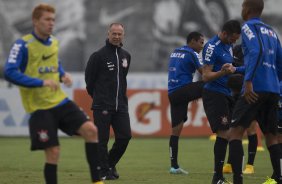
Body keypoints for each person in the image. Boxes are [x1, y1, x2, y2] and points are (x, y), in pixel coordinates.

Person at [3, 3, 103, 184]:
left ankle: (97, 181)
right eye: (47, 20)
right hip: (39, 107)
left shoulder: (54, 42)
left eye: (53, 20)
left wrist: (63, 74)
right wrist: (40, 82)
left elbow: (54, 64)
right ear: (35, 21)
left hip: (60, 102)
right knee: (54, 152)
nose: (51, 23)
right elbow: (9, 72)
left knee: (91, 130)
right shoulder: (22, 44)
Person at [228, 0, 282, 183]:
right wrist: (275, 83)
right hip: (272, 89)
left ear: (248, 9)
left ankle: (237, 179)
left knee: (234, 132)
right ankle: (278, 177)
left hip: (255, 88)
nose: (241, 10)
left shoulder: (248, 27)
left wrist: (249, 80)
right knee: (271, 136)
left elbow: (256, 51)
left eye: (242, 7)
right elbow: (279, 62)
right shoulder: (272, 32)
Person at [85, 23, 132, 180]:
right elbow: (89, 82)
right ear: (108, 34)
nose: (117, 36)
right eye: (114, 33)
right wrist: (99, 98)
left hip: (121, 106)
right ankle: (103, 171)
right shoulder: (98, 56)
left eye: (120, 34)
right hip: (102, 105)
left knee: (125, 137)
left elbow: (122, 79)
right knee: (102, 141)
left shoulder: (126, 56)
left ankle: (109, 165)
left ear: (123, 35)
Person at [201, 19, 241, 184]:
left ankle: (222, 175)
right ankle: (217, 177)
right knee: (224, 132)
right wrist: (222, 73)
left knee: (231, 133)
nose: (235, 41)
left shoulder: (228, 45)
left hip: (227, 93)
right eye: (233, 38)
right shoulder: (211, 47)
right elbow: (205, 76)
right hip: (214, 93)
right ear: (225, 33)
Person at [167, 31, 205, 174]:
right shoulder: (192, 54)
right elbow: (204, 73)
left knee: (176, 131)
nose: (202, 46)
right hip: (183, 90)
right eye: (201, 42)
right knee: (209, 86)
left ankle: (174, 166)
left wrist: (192, 91)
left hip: (172, 93)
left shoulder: (175, 51)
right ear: (193, 41)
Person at [223, 45, 260, 175]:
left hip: (249, 90)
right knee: (232, 128)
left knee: (250, 127)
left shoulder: (255, 50)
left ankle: (250, 165)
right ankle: (230, 163)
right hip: (235, 90)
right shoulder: (236, 49)